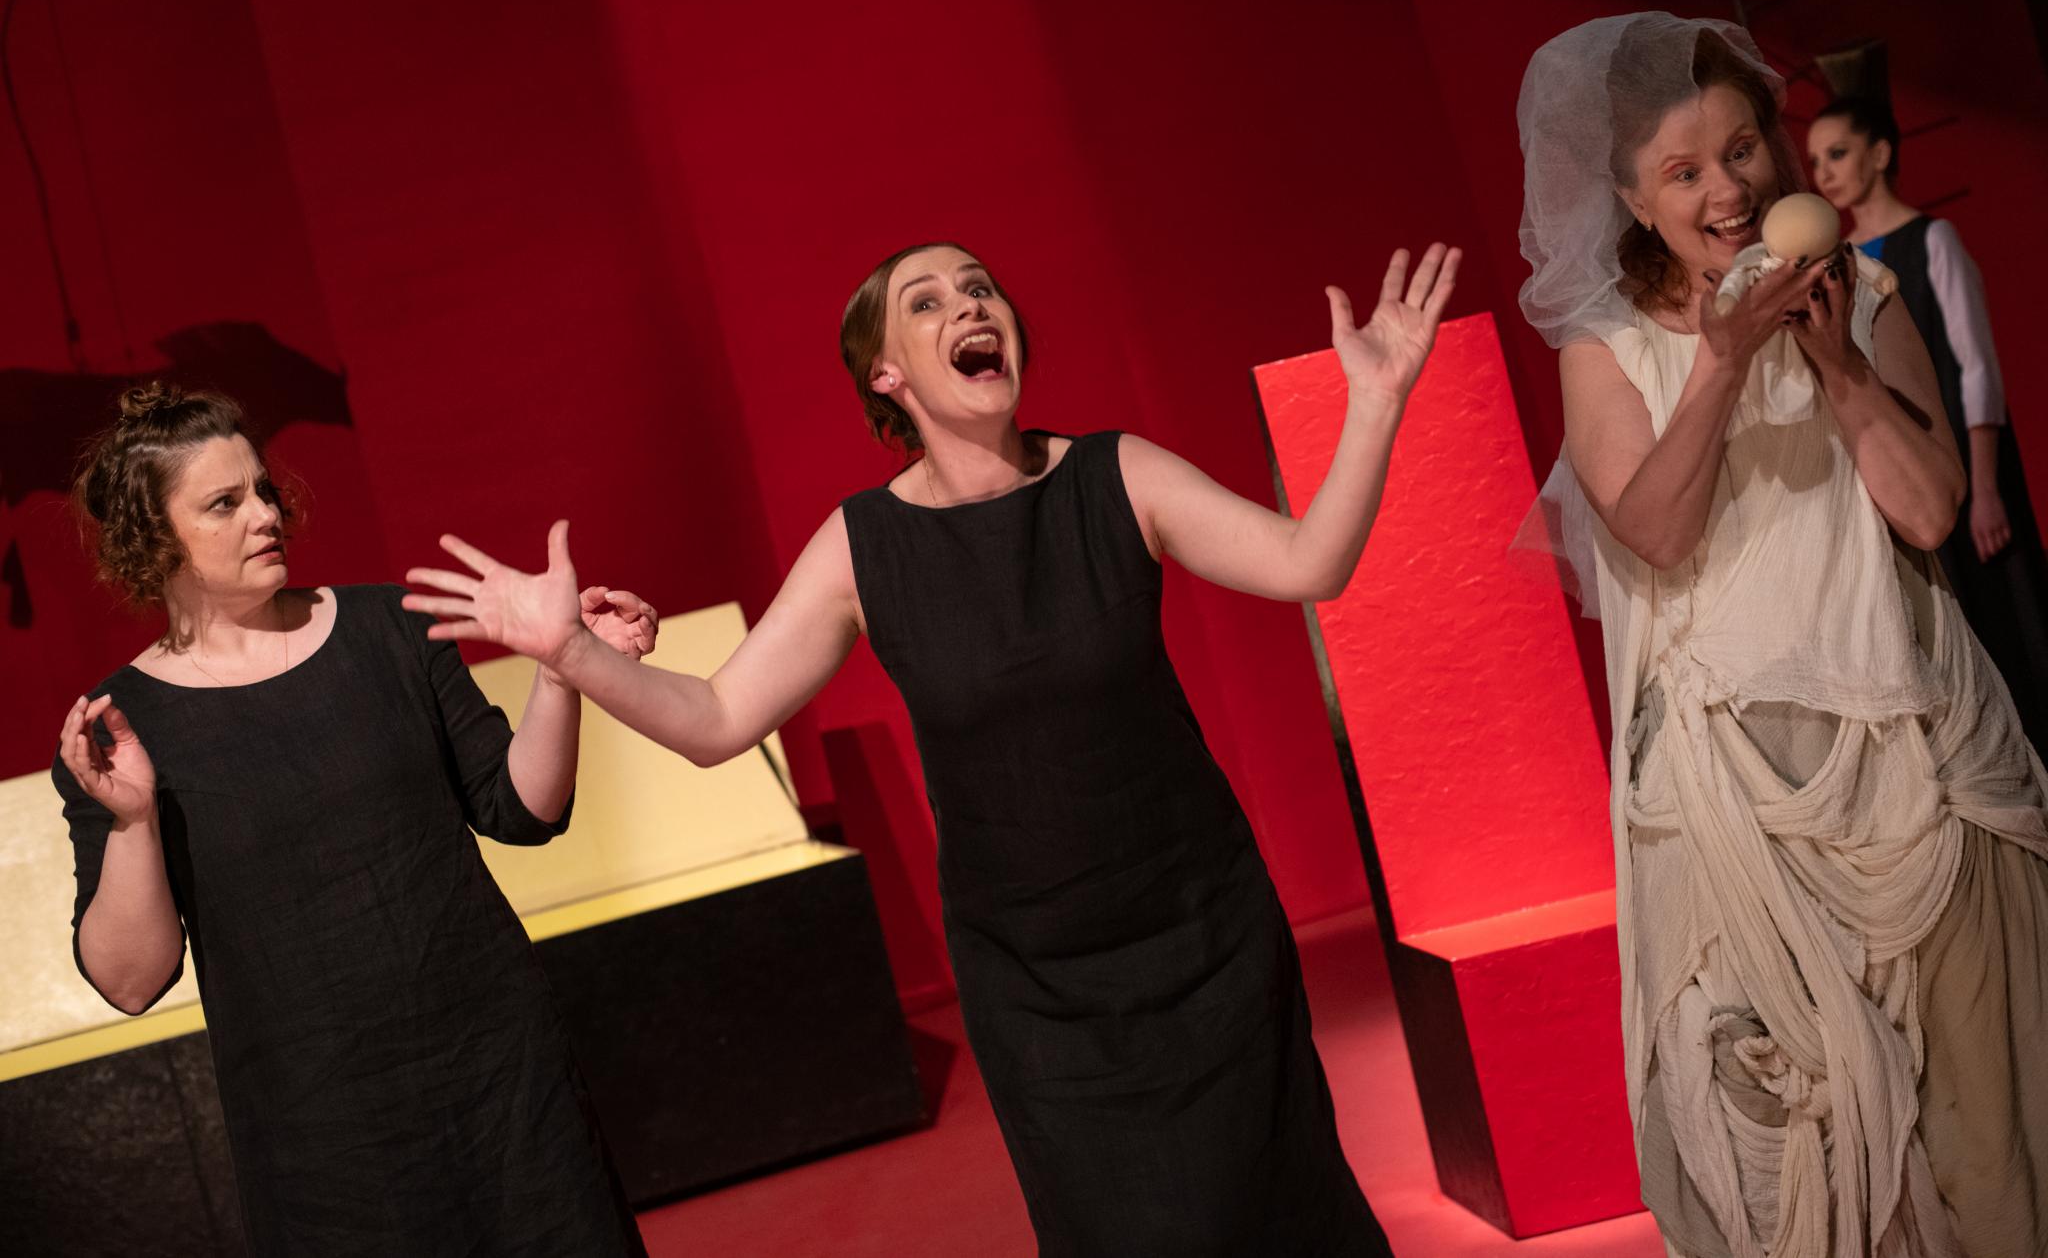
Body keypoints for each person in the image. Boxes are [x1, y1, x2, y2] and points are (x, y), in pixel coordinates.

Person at [402, 239, 1462, 1255]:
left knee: (1281, 1213)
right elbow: (717, 720)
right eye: (928, 301)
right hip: (1035, 983)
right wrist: (570, 655)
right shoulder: (864, 546)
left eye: (980, 287)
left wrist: (1373, 402)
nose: (969, 305)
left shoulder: (1116, 475)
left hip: (1205, 937)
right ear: (887, 375)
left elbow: (1307, 563)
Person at [1518, 10, 2048, 1257]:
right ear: (1632, 200)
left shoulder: (1860, 292)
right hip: (1736, 811)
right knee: (1801, 1172)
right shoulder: (1603, 349)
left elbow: (1927, 512)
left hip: (1918, 771)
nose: (1726, 190)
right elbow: (1652, 529)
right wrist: (1719, 363)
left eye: (1740, 149)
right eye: (1683, 171)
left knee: (1983, 1146)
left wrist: (1839, 369)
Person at [54, 383, 655, 1256]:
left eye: (264, 490)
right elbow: (131, 981)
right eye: (225, 502)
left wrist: (562, 667)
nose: (266, 514)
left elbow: (522, 807)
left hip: (502, 1083)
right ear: (154, 537)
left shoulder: (388, 627)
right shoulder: (122, 728)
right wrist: (133, 820)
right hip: (323, 1145)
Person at [1808, 96, 2048, 746]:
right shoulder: (1836, 262)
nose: (1824, 172)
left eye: (1838, 153)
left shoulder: (1931, 241)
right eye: (1815, 160)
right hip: (1895, 471)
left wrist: (1986, 488)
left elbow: (1976, 366)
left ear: (1880, 153)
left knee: (2005, 623)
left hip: (1962, 467)